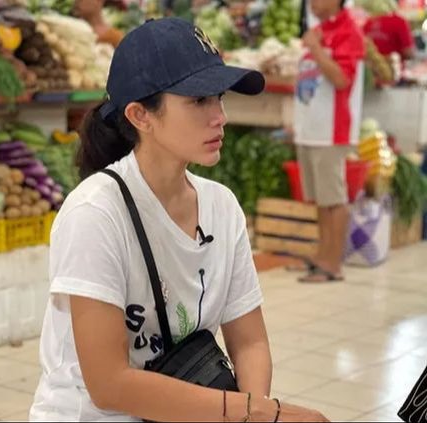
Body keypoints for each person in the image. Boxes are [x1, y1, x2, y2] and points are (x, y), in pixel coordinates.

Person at [29, 17, 329, 423]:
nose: (220, 116)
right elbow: (108, 384)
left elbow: (250, 342)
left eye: (219, 97)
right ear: (140, 115)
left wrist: (253, 414)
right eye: (198, 100)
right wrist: (257, 412)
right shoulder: (95, 213)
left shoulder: (221, 206)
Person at [293, 0, 365, 283]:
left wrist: (315, 49)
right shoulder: (320, 30)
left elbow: (341, 79)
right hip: (312, 128)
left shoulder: (350, 31)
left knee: (334, 198)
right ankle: (322, 255)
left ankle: (333, 264)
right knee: (322, 199)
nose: (312, 3)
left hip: (333, 130)